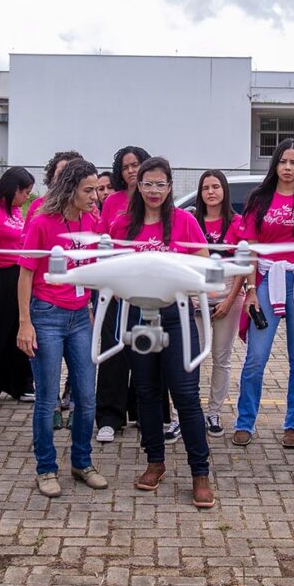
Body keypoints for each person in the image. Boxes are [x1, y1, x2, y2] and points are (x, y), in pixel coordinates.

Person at [109, 157, 216, 508]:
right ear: (138, 186)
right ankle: (155, 461)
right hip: (139, 319)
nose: (154, 191)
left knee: (186, 395)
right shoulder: (123, 224)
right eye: (147, 184)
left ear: (170, 187)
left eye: (160, 184)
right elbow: (110, 265)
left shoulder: (184, 221)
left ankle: (200, 473)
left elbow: (203, 261)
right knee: (147, 393)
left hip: (177, 317)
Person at [17, 158, 108, 498]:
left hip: (79, 316)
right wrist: (25, 323)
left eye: (97, 190)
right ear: (70, 189)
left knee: (86, 396)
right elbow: (25, 274)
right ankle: (46, 468)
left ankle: (82, 462)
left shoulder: (92, 223)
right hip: (46, 315)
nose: (95, 197)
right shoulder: (42, 222)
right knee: (47, 399)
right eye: (89, 190)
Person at [233, 139, 294, 449]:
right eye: (283, 161)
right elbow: (249, 250)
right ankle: (245, 421)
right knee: (256, 358)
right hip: (264, 282)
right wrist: (249, 290)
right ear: (275, 165)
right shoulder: (259, 200)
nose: (288, 167)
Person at [94, 145, 152, 442]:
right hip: (117, 291)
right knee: (113, 353)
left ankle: (147, 414)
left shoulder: (153, 198)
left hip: (148, 292)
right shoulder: (112, 201)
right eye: (127, 166)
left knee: (147, 350)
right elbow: (103, 245)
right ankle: (108, 417)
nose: (131, 170)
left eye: (137, 165)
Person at [0, 167, 36, 403]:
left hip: (15, 276)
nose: (27, 197)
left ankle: (19, 384)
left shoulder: (16, 211)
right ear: (13, 188)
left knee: (16, 331)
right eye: (25, 192)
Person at [193, 169, 244, 437]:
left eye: (215, 186)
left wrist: (231, 300)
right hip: (195, 296)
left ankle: (213, 413)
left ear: (224, 190)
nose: (211, 192)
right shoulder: (191, 222)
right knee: (191, 358)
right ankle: (184, 414)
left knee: (221, 359)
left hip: (229, 296)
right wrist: (193, 297)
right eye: (205, 188)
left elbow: (243, 266)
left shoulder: (237, 223)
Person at [24, 150, 83, 226]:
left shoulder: (88, 209)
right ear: (52, 176)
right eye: (60, 173)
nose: (65, 179)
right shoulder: (38, 205)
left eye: (70, 175)